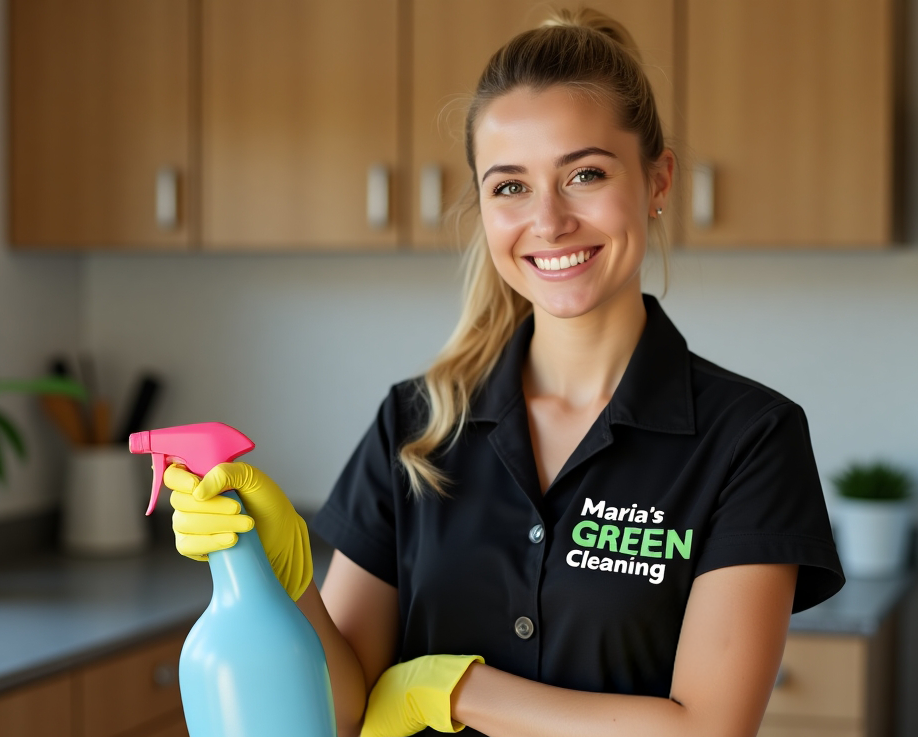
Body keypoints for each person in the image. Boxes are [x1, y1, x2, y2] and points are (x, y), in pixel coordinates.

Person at [168, 9, 844, 737]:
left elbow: (708, 730)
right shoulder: (416, 426)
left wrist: (458, 691)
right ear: (484, 207)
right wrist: (282, 577)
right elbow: (343, 708)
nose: (548, 222)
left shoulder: (749, 439)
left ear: (658, 179)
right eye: (510, 186)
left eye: (584, 173)